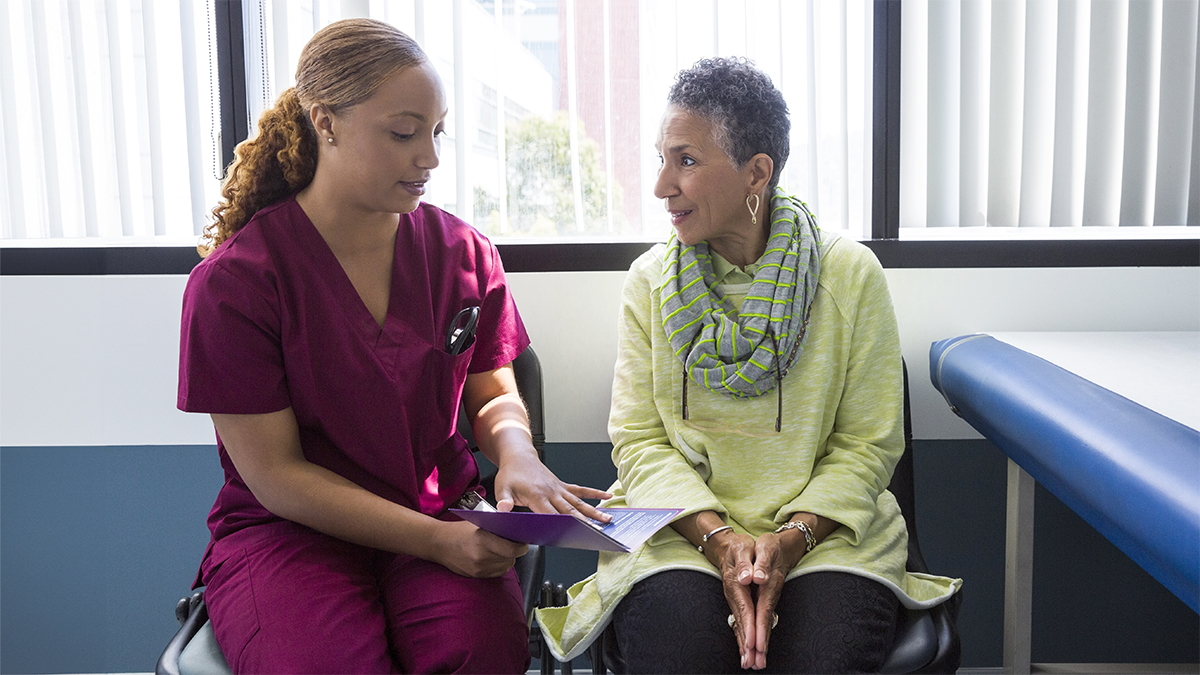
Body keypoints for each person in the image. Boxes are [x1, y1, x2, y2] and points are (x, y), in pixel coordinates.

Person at [177, 19, 609, 674]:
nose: (430, 158)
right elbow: (276, 475)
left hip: (442, 509)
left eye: (438, 132)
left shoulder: (463, 254)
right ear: (325, 123)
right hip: (292, 535)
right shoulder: (236, 283)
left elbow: (493, 387)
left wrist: (518, 455)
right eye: (404, 133)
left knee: (479, 656)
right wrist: (436, 542)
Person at [536, 57, 960, 673]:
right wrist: (719, 537)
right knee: (679, 650)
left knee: (821, 657)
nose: (660, 185)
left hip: (825, 539)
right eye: (661, 157)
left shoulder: (848, 275)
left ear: (755, 173)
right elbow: (641, 442)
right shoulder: (648, 284)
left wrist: (789, 541)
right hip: (678, 535)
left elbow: (867, 445)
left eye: (685, 160)